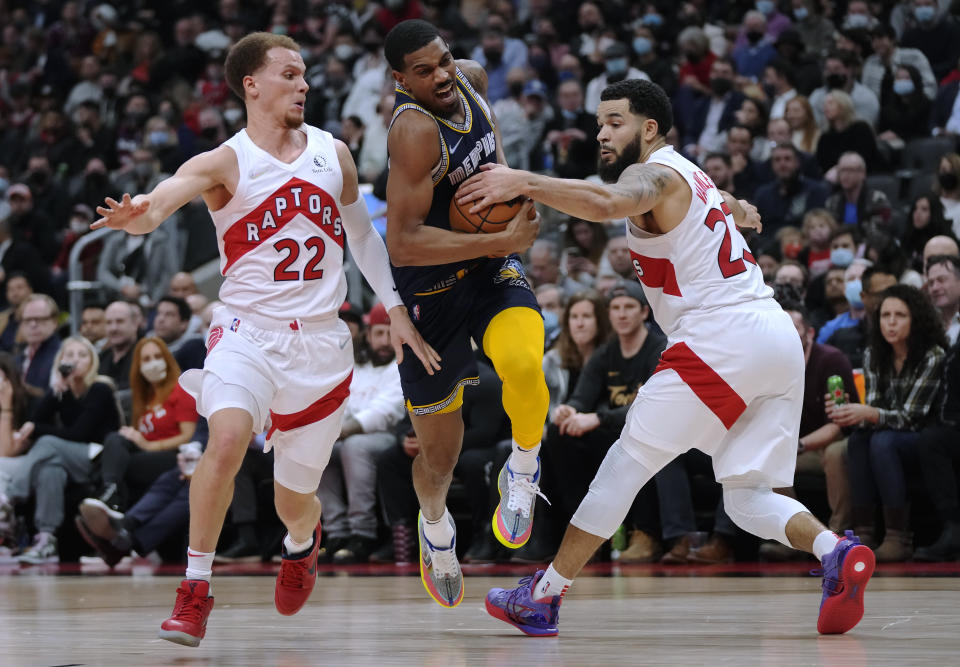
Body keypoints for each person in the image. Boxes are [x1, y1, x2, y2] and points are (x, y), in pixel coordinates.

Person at [458, 78, 874, 636]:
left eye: (615, 122)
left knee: (624, 465)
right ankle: (835, 552)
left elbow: (607, 202)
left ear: (649, 128)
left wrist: (522, 181)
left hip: (719, 337)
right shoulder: (690, 173)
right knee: (748, 496)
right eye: (599, 123)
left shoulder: (648, 174)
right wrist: (738, 209)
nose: (601, 133)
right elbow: (708, 201)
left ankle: (545, 596)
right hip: (773, 338)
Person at [91, 31, 436, 647]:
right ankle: (195, 590)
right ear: (251, 84)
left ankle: (302, 544)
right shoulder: (224, 160)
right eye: (290, 74)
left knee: (293, 499)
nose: (304, 84)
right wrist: (136, 213)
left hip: (322, 346)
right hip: (246, 333)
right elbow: (158, 204)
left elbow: (362, 238)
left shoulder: (334, 152)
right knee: (223, 442)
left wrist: (397, 309)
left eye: (305, 75)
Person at [382, 20, 544, 608]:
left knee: (526, 363)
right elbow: (401, 242)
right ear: (400, 80)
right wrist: (498, 240)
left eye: (443, 60)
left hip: (487, 268)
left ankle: (522, 471)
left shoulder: (470, 83)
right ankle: (436, 529)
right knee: (440, 454)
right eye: (422, 71)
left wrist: (513, 205)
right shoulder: (413, 133)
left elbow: (494, 164)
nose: (441, 75)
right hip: (430, 292)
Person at [827, 285, 946, 562]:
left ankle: (897, 537)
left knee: (882, 441)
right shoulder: (873, 354)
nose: (891, 322)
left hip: (926, 437)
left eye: (900, 315)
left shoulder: (932, 355)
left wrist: (868, 413)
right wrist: (849, 413)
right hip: (889, 433)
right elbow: (876, 409)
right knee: (857, 441)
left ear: (915, 319)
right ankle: (864, 532)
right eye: (885, 315)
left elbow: (912, 417)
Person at [8, 336, 120, 564]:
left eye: (82, 355)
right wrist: (55, 390)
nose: (75, 360)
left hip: (99, 457)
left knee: (47, 443)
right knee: (51, 469)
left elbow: (79, 433)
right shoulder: (63, 390)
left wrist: (39, 428)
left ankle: (9, 496)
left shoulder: (101, 388)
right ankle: (46, 538)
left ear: (92, 361)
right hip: (72, 457)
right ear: (60, 361)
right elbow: (34, 422)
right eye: (69, 355)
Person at [317, 303, 406, 564]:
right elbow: (339, 404)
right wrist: (327, 432)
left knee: (355, 446)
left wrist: (340, 431)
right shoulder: (356, 365)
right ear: (368, 335)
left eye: (390, 333)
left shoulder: (403, 364)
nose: (385, 341)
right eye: (379, 333)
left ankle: (363, 532)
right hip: (348, 435)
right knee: (320, 449)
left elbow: (387, 411)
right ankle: (336, 532)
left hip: (389, 436)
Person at [81, 336, 197, 517]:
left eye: (158, 357)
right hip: (145, 453)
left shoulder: (180, 389)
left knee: (121, 466)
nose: (153, 363)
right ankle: (110, 494)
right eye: (147, 359)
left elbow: (188, 435)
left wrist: (149, 445)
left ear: (167, 359)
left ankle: (112, 502)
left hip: (173, 457)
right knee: (115, 439)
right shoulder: (143, 397)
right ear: (138, 365)